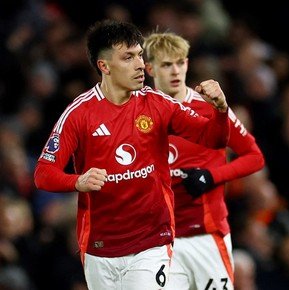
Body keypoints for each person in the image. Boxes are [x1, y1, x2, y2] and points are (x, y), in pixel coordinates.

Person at [34, 19, 230, 290]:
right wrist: (77, 181)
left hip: (152, 242)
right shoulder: (79, 114)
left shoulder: (158, 104)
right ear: (104, 66)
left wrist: (220, 109)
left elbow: (214, 138)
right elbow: (43, 174)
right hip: (99, 247)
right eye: (128, 57)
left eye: (140, 55)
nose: (140, 65)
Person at [143, 32, 265, 290]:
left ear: (187, 64)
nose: (175, 71)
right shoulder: (138, 115)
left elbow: (255, 157)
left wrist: (211, 177)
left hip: (206, 236)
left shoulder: (210, 107)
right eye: (166, 64)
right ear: (150, 68)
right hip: (159, 240)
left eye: (180, 62)